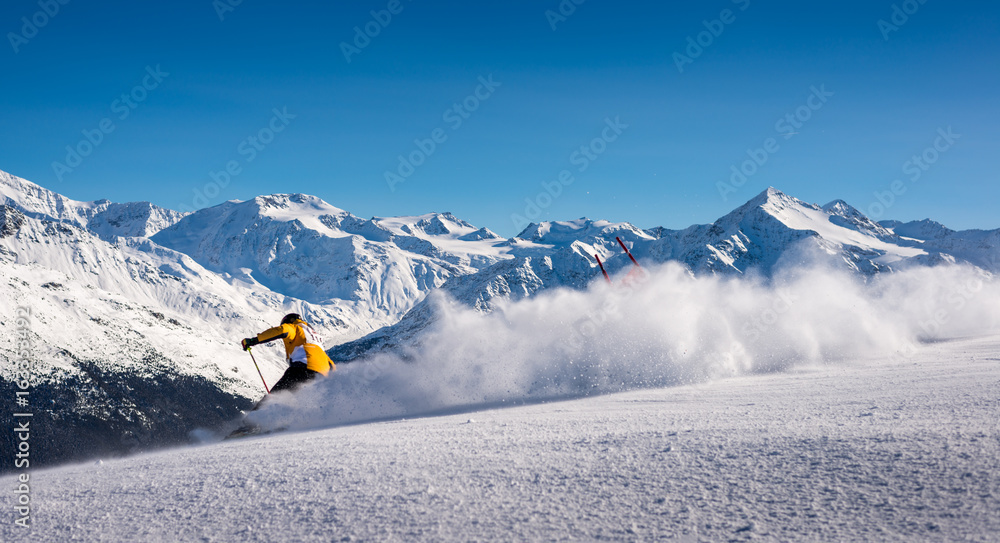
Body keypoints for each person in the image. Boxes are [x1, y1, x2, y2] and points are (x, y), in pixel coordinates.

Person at [241, 313, 335, 394]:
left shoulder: (295, 327)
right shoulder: (317, 342)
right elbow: (330, 364)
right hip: (321, 378)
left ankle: (257, 415)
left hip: (302, 369)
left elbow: (282, 330)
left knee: (270, 402)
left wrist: (254, 340)